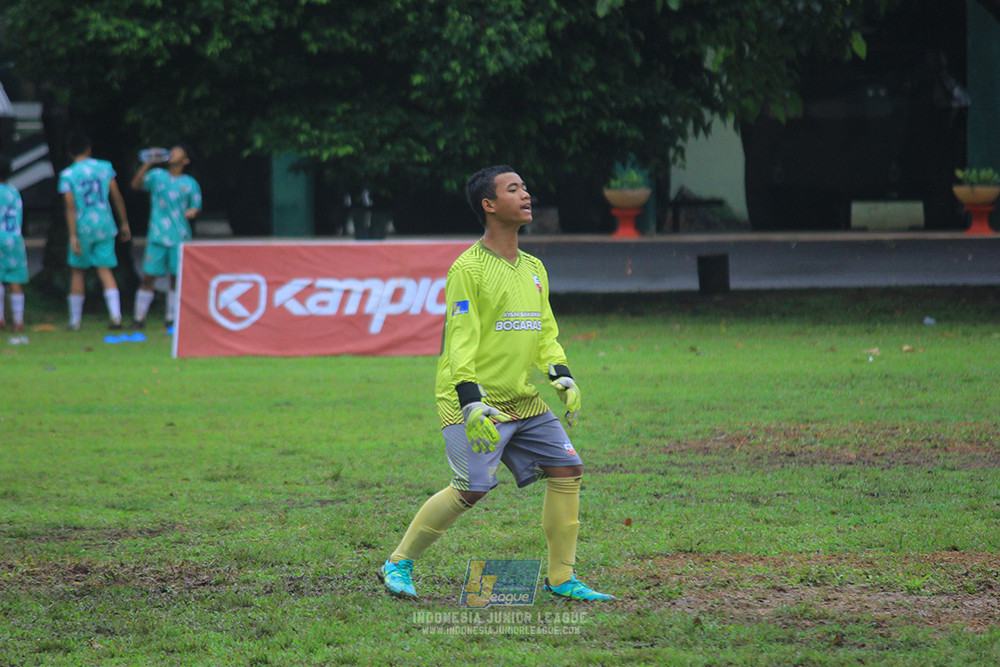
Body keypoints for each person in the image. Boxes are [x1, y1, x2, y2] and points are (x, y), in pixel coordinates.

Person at [377, 165, 614, 602]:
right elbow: (460, 338)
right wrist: (470, 401)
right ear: (489, 205)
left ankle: (562, 578)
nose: (526, 195)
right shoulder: (468, 268)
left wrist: (561, 374)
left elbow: (544, 330)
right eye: (513, 189)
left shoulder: (535, 268)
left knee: (567, 470)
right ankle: (398, 561)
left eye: (525, 187)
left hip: (523, 399)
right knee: (471, 488)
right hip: (471, 400)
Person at [58, 133, 131, 330]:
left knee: (78, 271)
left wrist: (72, 235)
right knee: (105, 269)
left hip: (82, 226)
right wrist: (124, 222)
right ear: (89, 149)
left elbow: (70, 206)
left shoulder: (68, 174)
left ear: (69, 153)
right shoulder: (105, 167)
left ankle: (75, 321)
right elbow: (116, 196)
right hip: (105, 223)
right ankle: (115, 316)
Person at [130, 144, 201, 332]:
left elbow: (196, 205)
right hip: (157, 235)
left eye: (177, 152)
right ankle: (139, 318)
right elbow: (135, 185)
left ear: (185, 160)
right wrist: (148, 163)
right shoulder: (157, 176)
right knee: (149, 277)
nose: (172, 153)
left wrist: (192, 212)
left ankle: (171, 319)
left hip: (180, 237)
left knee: (176, 279)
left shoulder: (190, 183)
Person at [0, 155, 28, 337]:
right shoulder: (14, 191)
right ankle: (18, 320)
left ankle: (1, 318)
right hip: (15, 238)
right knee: (15, 279)